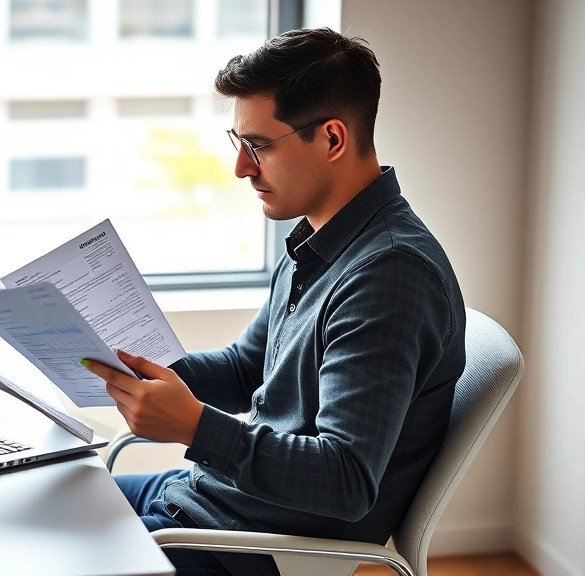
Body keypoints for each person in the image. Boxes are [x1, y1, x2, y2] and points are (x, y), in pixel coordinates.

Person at [83, 27, 466, 576]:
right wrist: (125, 363)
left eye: (258, 145)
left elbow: (346, 479)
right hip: (212, 501)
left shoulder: (390, 276)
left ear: (332, 139)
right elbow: (248, 369)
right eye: (237, 142)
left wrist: (195, 426)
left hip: (261, 545)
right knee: (49, 500)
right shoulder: (317, 238)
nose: (241, 167)